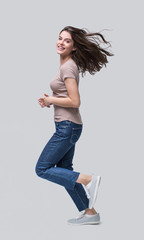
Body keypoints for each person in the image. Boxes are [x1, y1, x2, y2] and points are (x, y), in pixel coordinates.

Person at [35, 26, 113, 225]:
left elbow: (75, 101)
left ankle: (88, 179)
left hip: (67, 127)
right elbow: (65, 97)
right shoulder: (66, 65)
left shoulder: (68, 67)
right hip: (69, 126)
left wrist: (52, 99)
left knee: (42, 168)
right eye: (60, 38)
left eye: (67, 41)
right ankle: (90, 213)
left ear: (74, 47)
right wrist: (51, 100)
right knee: (65, 169)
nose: (61, 42)